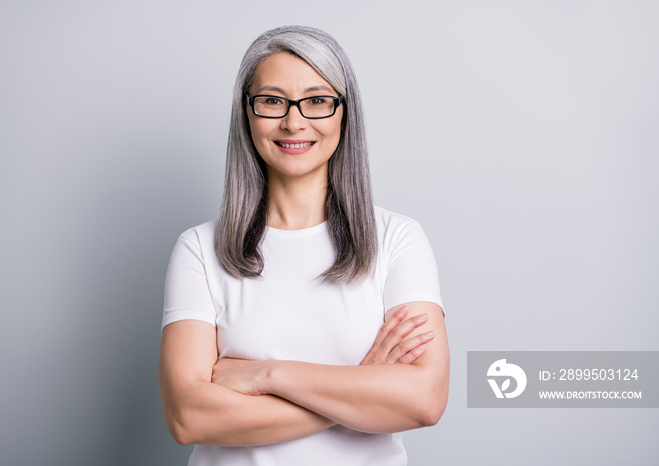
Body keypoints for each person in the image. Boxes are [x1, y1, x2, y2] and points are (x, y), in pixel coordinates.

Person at [158, 25, 449, 466]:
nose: (294, 122)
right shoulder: (199, 249)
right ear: (247, 114)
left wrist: (265, 375)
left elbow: (424, 400)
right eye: (272, 101)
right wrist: (362, 388)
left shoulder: (398, 239)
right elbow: (189, 417)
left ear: (344, 114)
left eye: (317, 101)